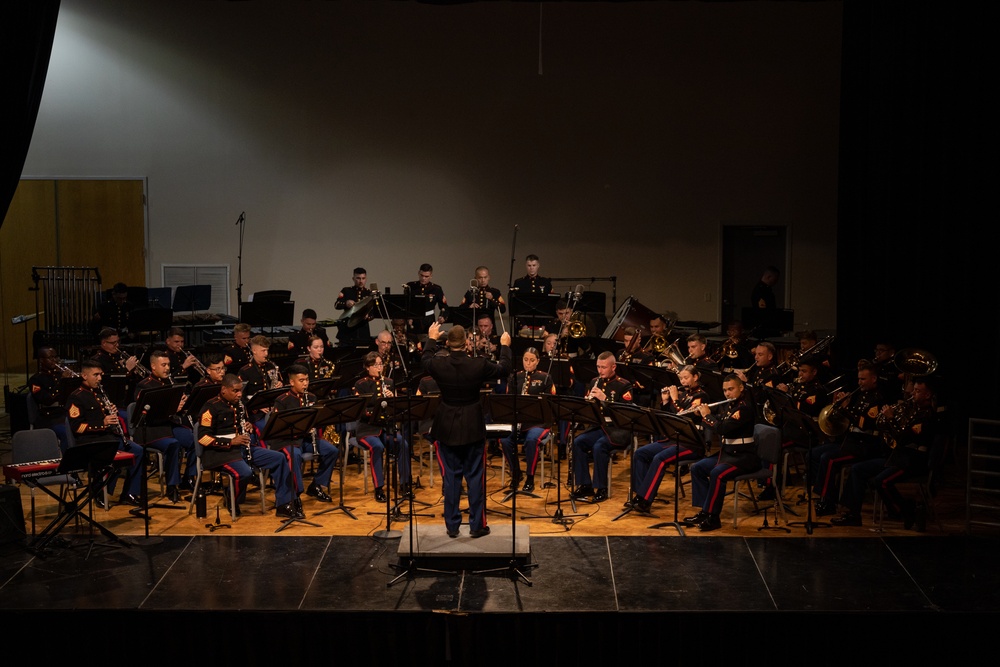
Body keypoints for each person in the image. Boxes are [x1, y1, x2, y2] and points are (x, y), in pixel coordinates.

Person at [422, 322, 512, 538]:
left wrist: (431, 338)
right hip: (472, 425)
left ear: (448, 343)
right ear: (466, 343)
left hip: (446, 426)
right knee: (475, 477)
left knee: (451, 478)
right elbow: (504, 368)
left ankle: (452, 527)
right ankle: (477, 525)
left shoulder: (439, 364)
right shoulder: (478, 364)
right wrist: (505, 346)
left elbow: (424, 360)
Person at [831, 377, 941, 529]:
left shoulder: (927, 416)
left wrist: (891, 419)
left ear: (928, 395)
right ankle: (853, 514)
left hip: (913, 461)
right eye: (913, 390)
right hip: (898, 457)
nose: (912, 394)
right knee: (857, 469)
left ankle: (905, 510)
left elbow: (903, 438)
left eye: (917, 391)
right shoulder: (914, 411)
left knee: (881, 481)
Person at [197, 373, 299, 519]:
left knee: (279, 458)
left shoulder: (240, 405)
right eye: (235, 391)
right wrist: (231, 442)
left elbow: (245, 425)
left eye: (241, 391)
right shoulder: (210, 407)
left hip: (244, 448)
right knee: (244, 473)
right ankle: (232, 500)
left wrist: (249, 426)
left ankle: (283, 504)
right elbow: (202, 438)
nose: (239, 394)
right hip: (220, 453)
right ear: (224, 389)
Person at [627, 365, 710, 513]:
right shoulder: (683, 393)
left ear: (695, 377)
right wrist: (665, 402)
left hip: (692, 443)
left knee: (660, 458)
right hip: (674, 439)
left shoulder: (701, 396)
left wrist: (675, 399)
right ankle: (640, 495)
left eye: (686, 378)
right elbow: (667, 417)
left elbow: (685, 415)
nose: (682, 381)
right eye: (681, 378)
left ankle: (645, 501)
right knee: (640, 453)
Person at [683, 374, 757, 531]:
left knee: (717, 473)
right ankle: (705, 510)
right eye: (725, 390)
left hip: (743, 457)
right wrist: (703, 415)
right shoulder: (731, 405)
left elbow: (723, 428)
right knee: (698, 468)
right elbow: (721, 419)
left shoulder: (744, 407)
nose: (727, 394)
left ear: (741, 388)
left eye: (731, 389)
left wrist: (707, 416)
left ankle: (713, 517)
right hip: (729, 453)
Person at [810, 362, 886, 516]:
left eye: (863, 379)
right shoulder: (860, 395)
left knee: (829, 459)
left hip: (865, 445)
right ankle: (824, 493)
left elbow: (864, 424)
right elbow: (847, 421)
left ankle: (828, 502)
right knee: (814, 453)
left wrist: (846, 409)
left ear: (874, 379)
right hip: (851, 441)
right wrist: (838, 406)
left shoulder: (878, 399)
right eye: (859, 379)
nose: (859, 383)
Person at [66, 359, 144, 507]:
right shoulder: (76, 397)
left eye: (100, 374)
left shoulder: (100, 392)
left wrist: (111, 411)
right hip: (90, 441)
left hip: (109, 438)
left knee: (138, 451)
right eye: (96, 375)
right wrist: (103, 423)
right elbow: (77, 427)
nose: (100, 378)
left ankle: (129, 493)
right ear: (84, 376)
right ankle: (99, 492)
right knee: (111, 456)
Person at [267, 364, 339, 509]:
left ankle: (316, 485)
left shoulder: (311, 397)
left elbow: (319, 420)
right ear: (292, 382)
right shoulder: (282, 400)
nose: (305, 383)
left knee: (332, 451)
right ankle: (295, 495)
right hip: (286, 440)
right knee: (295, 456)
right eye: (301, 380)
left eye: (306, 379)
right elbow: (277, 428)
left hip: (305, 439)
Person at [570, 351, 634, 503]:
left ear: (613, 367)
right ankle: (585, 485)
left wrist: (605, 399)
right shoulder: (594, 382)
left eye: (603, 367)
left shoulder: (624, 385)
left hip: (618, 430)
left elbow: (626, 413)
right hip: (599, 427)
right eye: (598, 367)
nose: (600, 371)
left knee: (599, 446)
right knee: (578, 442)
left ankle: (602, 488)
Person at [353, 352, 412, 503]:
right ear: (368, 367)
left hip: (386, 428)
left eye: (381, 364)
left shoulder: (389, 382)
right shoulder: (361, 384)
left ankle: (404, 484)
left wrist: (392, 399)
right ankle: (379, 488)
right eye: (375, 365)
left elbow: (396, 409)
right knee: (377, 447)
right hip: (367, 429)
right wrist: (380, 403)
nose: (379, 368)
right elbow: (361, 411)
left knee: (402, 443)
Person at [133, 350, 191, 501]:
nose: (167, 368)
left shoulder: (170, 383)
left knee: (195, 439)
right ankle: (172, 486)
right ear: (153, 366)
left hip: (168, 426)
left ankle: (189, 479)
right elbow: (145, 415)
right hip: (151, 429)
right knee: (173, 445)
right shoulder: (143, 386)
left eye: (168, 365)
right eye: (163, 365)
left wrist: (183, 403)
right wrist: (173, 408)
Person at [499, 347, 556, 493]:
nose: (528, 363)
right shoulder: (515, 377)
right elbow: (507, 401)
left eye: (531, 360)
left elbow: (550, 403)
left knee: (531, 440)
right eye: (525, 360)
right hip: (518, 421)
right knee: (504, 440)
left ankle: (530, 477)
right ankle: (516, 473)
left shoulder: (545, 378)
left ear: (537, 361)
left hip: (538, 422)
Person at [28, 346, 74, 453]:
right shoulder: (36, 379)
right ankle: (65, 465)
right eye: (50, 357)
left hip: (65, 414)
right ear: (41, 360)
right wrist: (62, 382)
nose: (54, 360)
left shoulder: (59, 375)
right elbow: (47, 400)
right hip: (49, 417)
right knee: (66, 433)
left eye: (55, 357)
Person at [238, 335, 283, 427]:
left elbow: (283, 384)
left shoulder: (272, 366)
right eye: (263, 351)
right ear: (254, 351)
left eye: (267, 350)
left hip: (274, 409)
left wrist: (281, 384)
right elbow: (241, 397)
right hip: (256, 414)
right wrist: (258, 407)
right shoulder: (245, 371)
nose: (266, 354)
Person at [404, 263, 447, 335]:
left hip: (429, 320)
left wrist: (442, 316)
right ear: (418, 273)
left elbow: (444, 306)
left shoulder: (436, 289)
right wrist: (408, 317)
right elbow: (406, 304)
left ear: (431, 276)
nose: (423, 278)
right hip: (414, 320)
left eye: (426, 276)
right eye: (422, 275)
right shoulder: (411, 287)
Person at [335, 269, 374, 345]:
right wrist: (346, 303)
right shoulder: (346, 291)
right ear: (353, 279)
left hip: (363, 330)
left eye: (363, 278)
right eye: (358, 278)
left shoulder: (369, 293)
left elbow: (374, 311)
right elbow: (336, 305)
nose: (361, 281)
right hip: (347, 330)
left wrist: (368, 316)